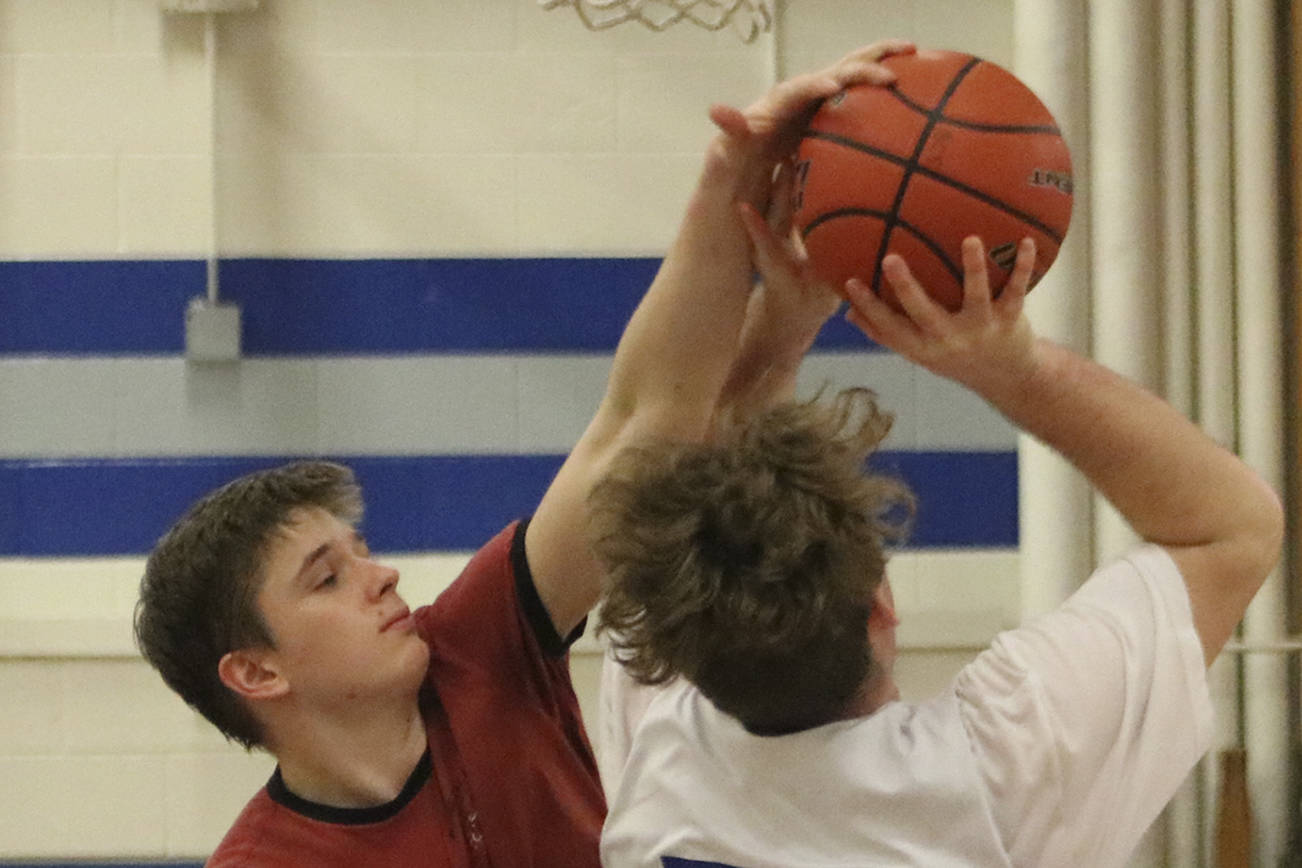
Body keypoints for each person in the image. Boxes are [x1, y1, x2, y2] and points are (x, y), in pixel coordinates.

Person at [132, 40, 918, 867]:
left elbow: (638, 424)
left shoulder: (471, 648)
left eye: (361, 553)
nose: (383, 576)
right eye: (327, 577)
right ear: (255, 672)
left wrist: (732, 177)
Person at [591, 221, 1285, 865]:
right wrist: (1007, 367)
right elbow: (1234, 526)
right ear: (880, 611)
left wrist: (775, 336)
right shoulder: (995, 772)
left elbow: (708, 509)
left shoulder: (661, 755)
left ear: (677, 647)